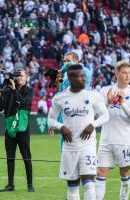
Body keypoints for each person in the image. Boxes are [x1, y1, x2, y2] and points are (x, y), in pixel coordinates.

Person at [47, 64, 109, 200]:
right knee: (73, 188)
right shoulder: (60, 98)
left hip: (88, 146)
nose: (83, 78)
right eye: (80, 76)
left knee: (89, 185)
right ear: (70, 78)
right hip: (69, 148)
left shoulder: (93, 95)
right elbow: (50, 120)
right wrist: (61, 127)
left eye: (83, 75)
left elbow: (105, 116)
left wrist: (93, 125)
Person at [95, 61, 130, 200]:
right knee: (100, 174)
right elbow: (98, 113)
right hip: (106, 140)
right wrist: (108, 102)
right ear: (116, 73)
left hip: (125, 141)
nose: (127, 76)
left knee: (125, 174)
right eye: (124, 72)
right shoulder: (105, 90)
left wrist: (122, 103)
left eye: (129, 73)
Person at [0, 68, 35, 192]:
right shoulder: (7, 90)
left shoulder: (29, 90)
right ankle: (10, 185)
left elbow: (24, 103)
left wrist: (13, 90)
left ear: (26, 77)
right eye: (17, 75)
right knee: (10, 158)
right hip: (10, 128)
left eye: (21, 75)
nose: (18, 78)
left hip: (23, 129)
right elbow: (1, 108)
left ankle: (30, 185)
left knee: (26, 157)